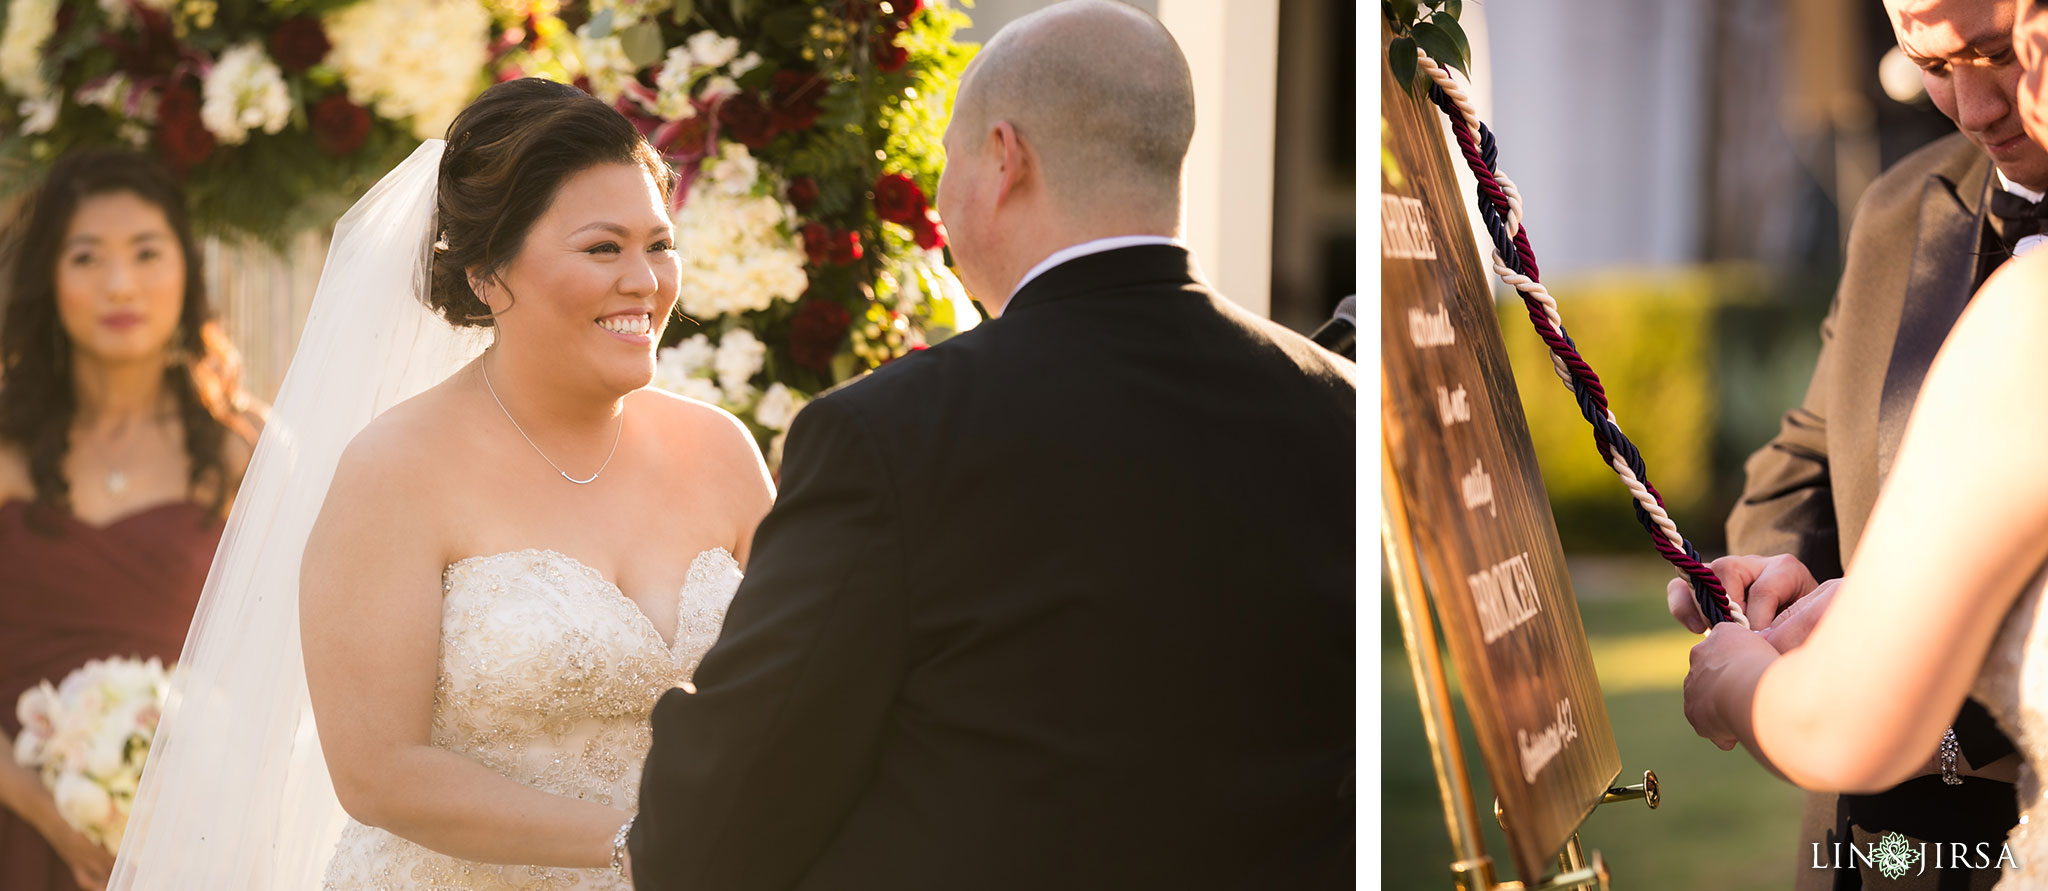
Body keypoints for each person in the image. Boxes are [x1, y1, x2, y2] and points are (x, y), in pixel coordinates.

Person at [628, 2, 1356, 888]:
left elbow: (717, 823)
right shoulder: (1338, 405)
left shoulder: (889, 435)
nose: (939, 196)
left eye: (946, 159)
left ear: (1004, 159)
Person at [106, 78, 772, 889]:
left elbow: (801, 690)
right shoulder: (395, 469)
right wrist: (642, 840)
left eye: (659, 244)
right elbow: (378, 770)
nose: (645, 281)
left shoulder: (723, 451)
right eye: (604, 248)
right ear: (490, 275)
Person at [1670, 0, 2046, 886]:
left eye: (1996, 54)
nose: (1974, 107)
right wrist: (1770, 572)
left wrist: (1746, 681)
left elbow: (1847, 721)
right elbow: (1805, 453)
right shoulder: (1896, 210)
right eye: (1932, 63)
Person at [0, 149, 260, 891]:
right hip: (14, 824)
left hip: (188, 842)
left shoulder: (247, 454)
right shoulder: (5, 450)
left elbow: (286, 674)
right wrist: (45, 808)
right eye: (87, 257)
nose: (120, 285)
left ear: (186, 268)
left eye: (146, 253)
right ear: (50, 276)